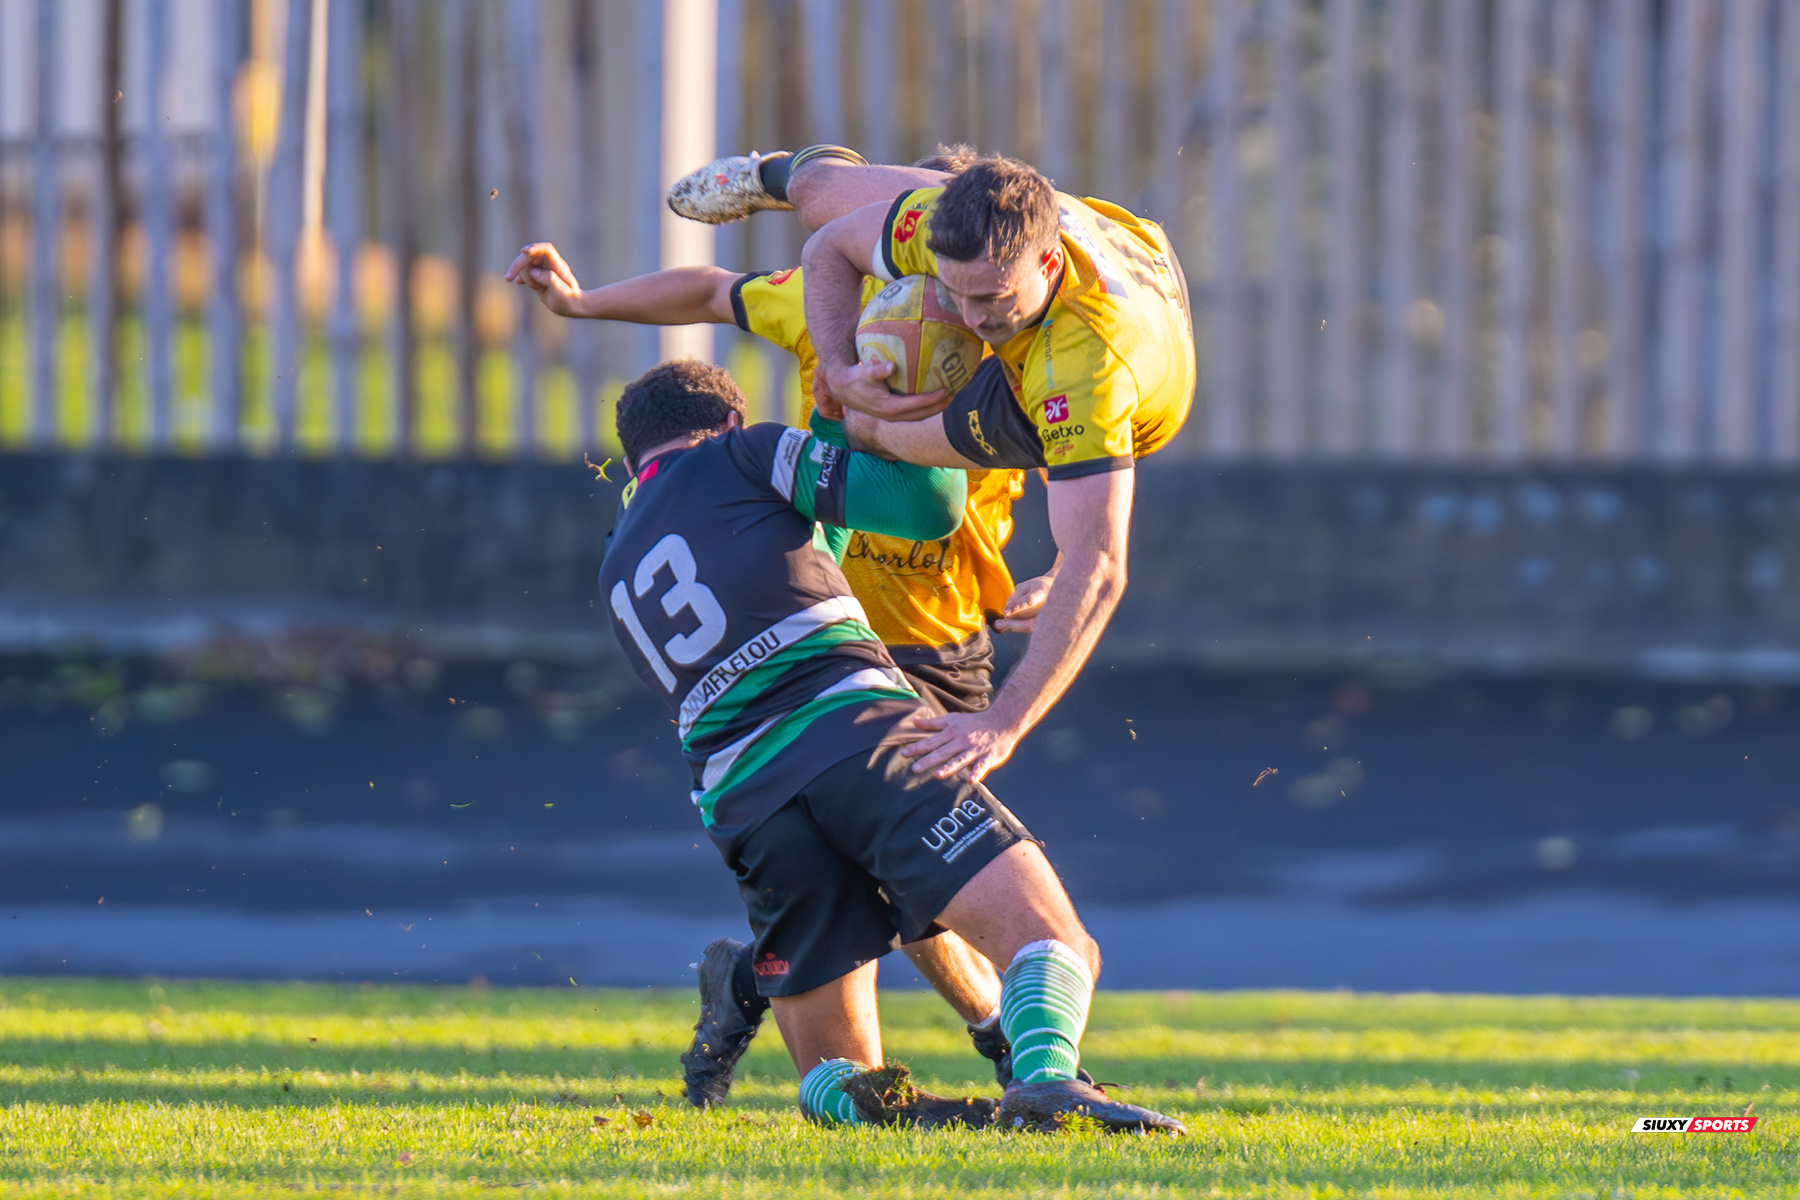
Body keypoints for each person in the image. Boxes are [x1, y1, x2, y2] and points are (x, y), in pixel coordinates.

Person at [505, 154, 1052, 1105]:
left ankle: (766, 975)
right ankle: (1006, 1038)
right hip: (838, 635)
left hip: (943, 628)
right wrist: (585, 307)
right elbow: (710, 289)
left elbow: (1035, 476)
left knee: (895, 862)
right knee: (911, 860)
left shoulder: (1014, 326)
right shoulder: (830, 299)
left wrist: (1031, 583)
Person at [596, 357, 1184, 1133]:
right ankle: (1043, 1081)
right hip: (857, 738)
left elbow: (811, 563)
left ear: (636, 458)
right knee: (1053, 940)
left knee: (838, 1075)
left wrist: (834, 440)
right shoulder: (746, 452)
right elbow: (928, 507)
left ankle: (897, 1113)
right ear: (729, 422)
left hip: (745, 803)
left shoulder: (616, 560)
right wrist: (892, 423)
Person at [667, 148, 1194, 791]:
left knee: (893, 433)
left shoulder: (1078, 375)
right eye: (954, 291)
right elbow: (829, 248)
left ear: (1047, 263)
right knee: (818, 193)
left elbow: (1101, 562)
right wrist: (837, 368)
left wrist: (1002, 724)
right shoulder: (943, 227)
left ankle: (869, 426)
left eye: (991, 299)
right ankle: (779, 171)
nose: (970, 320)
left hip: (1120, 348)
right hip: (1102, 241)